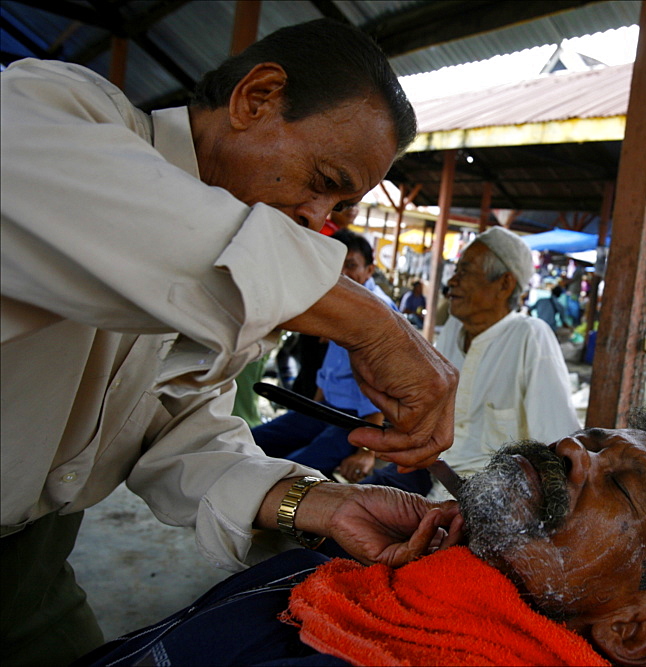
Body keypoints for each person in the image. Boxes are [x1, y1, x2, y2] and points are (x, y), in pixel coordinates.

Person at [1, 20, 461, 665]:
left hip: (30, 566)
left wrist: (322, 502)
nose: (313, 219)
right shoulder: (47, 108)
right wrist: (375, 323)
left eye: (335, 206)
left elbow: (182, 435)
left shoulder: (230, 267)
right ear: (256, 97)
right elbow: (150, 233)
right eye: (322, 177)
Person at [79, 405, 646, 667]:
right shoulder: (358, 583)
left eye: (622, 487)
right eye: (589, 436)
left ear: (629, 631)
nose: (572, 448)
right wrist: (322, 503)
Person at [251, 230, 430, 495]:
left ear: (369, 270)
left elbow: (384, 390)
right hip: (325, 409)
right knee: (253, 441)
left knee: (292, 473)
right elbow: (329, 371)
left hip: (358, 420)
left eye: (351, 265)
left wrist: (366, 452)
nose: (342, 273)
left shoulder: (377, 310)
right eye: (335, 264)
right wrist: (309, 410)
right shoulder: (340, 301)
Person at [435, 227, 580, 498]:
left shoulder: (530, 337)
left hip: (488, 496)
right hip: (431, 470)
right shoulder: (454, 328)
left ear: (504, 284)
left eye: (464, 272)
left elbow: (557, 443)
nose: (452, 281)